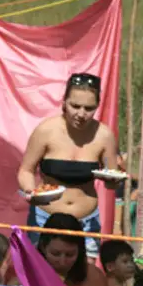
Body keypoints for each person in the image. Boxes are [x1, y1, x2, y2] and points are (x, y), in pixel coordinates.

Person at [18, 73, 119, 259]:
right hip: (45, 218)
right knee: (39, 275)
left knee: (84, 279)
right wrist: (30, 191)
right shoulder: (46, 130)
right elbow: (26, 170)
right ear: (64, 102)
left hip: (86, 220)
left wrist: (114, 178)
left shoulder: (104, 135)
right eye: (75, 106)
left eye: (89, 108)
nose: (81, 114)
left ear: (97, 106)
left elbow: (112, 182)